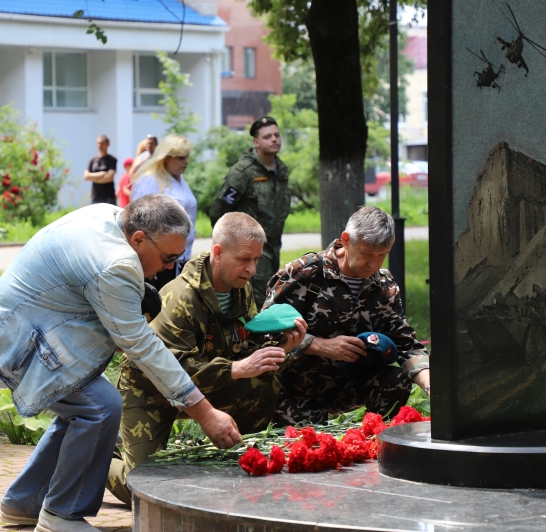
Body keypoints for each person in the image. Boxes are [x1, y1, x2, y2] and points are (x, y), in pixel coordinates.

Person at [0, 195, 241, 532]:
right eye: (169, 257)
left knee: (81, 409)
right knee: (100, 407)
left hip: (9, 325)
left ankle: (23, 502)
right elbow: (140, 344)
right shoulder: (117, 264)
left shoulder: (109, 216)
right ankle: (61, 516)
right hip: (13, 343)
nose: (172, 267)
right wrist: (205, 412)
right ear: (138, 238)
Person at [106, 212, 307, 506]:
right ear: (217, 253)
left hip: (208, 384)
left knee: (264, 380)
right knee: (142, 488)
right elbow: (170, 368)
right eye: (243, 259)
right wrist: (236, 368)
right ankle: (96, 456)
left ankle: (237, 456)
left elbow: (246, 340)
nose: (251, 269)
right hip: (151, 388)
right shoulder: (181, 298)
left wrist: (281, 348)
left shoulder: (241, 288)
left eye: (256, 260)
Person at [263, 206, 431, 426]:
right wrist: (318, 344)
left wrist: (430, 385)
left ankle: (378, 437)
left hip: (350, 387)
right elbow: (264, 332)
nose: (375, 265)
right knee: (306, 449)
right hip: (298, 391)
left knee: (395, 379)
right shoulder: (306, 273)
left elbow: (406, 344)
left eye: (382, 255)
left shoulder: (384, 284)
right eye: (367, 255)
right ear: (346, 240)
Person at [209, 116, 291, 308]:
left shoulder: (281, 169)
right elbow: (219, 209)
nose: (274, 140)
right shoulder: (242, 172)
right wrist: (231, 243)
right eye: (267, 136)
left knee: (270, 294)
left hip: (273, 246)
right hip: (249, 248)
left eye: (277, 135)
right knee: (258, 301)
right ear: (256, 142)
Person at [131, 134, 197, 288]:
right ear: (166, 158)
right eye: (181, 157)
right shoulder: (150, 180)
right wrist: (147, 261)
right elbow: (139, 221)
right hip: (159, 262)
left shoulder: (178, 178)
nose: (186, 161)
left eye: (187, 156)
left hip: (180, 258)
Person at [83, 135, 117, 205]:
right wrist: (101, 174)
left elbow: (109, 178)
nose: (99, 146)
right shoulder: (92, 160)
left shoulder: (112, 160)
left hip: (109, 197)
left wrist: (92, 178)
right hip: (96, 197)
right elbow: (86, 176)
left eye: (102, 143)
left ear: (108, 144)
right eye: (98, 143)